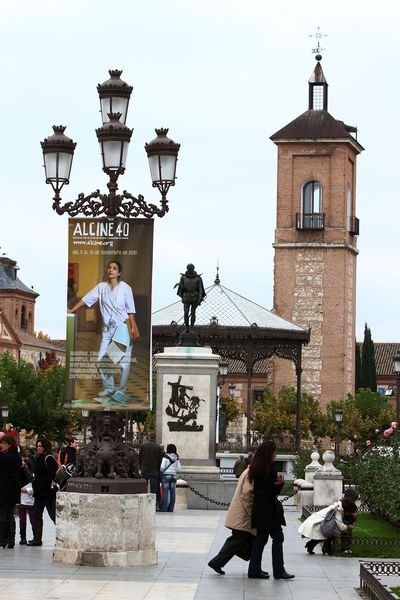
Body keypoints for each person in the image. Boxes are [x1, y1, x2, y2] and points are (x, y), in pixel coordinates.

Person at [68, 260, 138, 403]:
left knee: (124, 363)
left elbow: (130, 311)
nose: (111, 270)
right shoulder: (101, 288)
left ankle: (121, 390)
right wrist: (72, 310)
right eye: (109, 268)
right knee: (102, 360)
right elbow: (86, 299)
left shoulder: (126, 288)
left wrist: (132, 328)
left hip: (123, 328)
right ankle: (109, 388)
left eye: (114, 268)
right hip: (108, 331)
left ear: (119, 273)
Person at [248, 441, 294, 580]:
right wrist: (280, 484)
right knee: (278, 537)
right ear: (269, 453)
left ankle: (254, 569)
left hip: (260, 508)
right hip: (267, 509)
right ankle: (278, 570)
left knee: (261, 539)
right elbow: (271, 490)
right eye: (275, 451)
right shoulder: (266, 468)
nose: (276, 454)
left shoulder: (257, 467)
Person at [208, 466, 259, 575]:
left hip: (241, 512)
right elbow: (247, 494)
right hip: (243, 514)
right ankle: (216, 561)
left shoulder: (248, 471)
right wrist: (252, 512)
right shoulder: (251, 472)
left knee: (239, 539)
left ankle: (217, 561)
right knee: (237, 539)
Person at [27, 437, 58, 546]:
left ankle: (62, 536)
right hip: (39, 494)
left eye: (40, 446)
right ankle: (37, 538)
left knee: (53, 515)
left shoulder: (49, 458)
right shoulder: (39, 458)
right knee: (37, 515)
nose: (38, 448)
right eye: (37, 446)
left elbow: (51, 475)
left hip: (48, 493)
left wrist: (41, 484)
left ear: (45, 447)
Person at [0, 433, 23, 549]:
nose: (1, 445)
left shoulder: (3, 457)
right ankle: (12, 539)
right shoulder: (17, 456)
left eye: (3, 443)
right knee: (10, 513)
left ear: (8, 444)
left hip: (3, 488)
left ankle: (3, 539)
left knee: (3, 513)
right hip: (14, 489)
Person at [175, 263, 206, 333]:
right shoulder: (183, 278)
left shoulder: (198, 278)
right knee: (186, 313)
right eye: (189, 268)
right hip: (186, 297)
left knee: (193, 313)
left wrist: (200, 298)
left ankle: (191, 328)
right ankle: (186, 328)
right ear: (187, 269)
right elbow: (181, 288)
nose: (190, 270)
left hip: (194, 297)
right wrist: (181, 287)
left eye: (192, 268)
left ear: (193, 269)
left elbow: (200, 289)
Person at [139, 432, 163, 509]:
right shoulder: (158, 447)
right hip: (154, 469)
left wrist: (140, 467)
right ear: (155, 437)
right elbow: (160, 460)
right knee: (154, 488)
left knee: (143, 486)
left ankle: (142, 503)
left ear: (149, 437)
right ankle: (154, 504)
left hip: (144, 468)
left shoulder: (143, 446)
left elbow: (140, 457)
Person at [160, 443, 181, 512]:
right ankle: (171, 508)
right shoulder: (176, 458)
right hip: (173, 476)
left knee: (165, 493)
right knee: (172, 493)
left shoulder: (165, 457)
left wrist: (162, 471)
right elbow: (178, 469)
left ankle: (164, 508)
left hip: (166, 476)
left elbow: (162, 467)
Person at [18, 458, 35, 545]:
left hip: (31, 501)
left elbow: (36, 487)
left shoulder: (33, 474)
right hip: (21, 500)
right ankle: (23, 537)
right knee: (22, 520)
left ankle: (35, 537)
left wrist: (27, 490)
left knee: (33, 519)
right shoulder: (19, 475)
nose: (23, 467)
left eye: (25, 465)